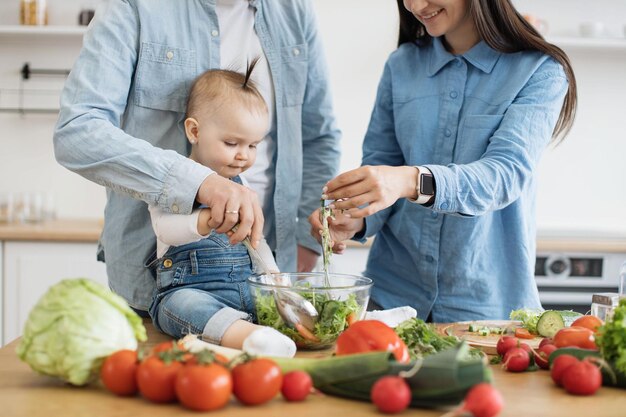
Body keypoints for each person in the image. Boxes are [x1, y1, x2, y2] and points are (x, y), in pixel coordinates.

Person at [53, 0, 341, 317]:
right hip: (155, 283)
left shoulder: (294, 12)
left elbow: (319, 138)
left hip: (270, 278)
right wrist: (201, 183)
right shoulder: (134, 7)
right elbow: (77, 132)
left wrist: (306, 244)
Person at [309, 0, 577, 322]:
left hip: (486, 312)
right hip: (390, 301)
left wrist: (409, 180)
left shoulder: (538, 70)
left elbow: (503, 176)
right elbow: (383, 165)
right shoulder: (401, 65)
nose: (415, 5)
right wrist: (356, 219)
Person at [146, 63, 296, 356]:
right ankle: (249, 337)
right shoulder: (170, 177)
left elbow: (256, 239)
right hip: (191, 289)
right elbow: (164, 229)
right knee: (178, 308)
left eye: (253, 145)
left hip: (247, 288)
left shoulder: (243, 185)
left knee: (292, 300)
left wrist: (273, 274)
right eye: (231, 143)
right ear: (194, 131)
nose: (244, 155)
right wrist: (203, 220)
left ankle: (365, 321)